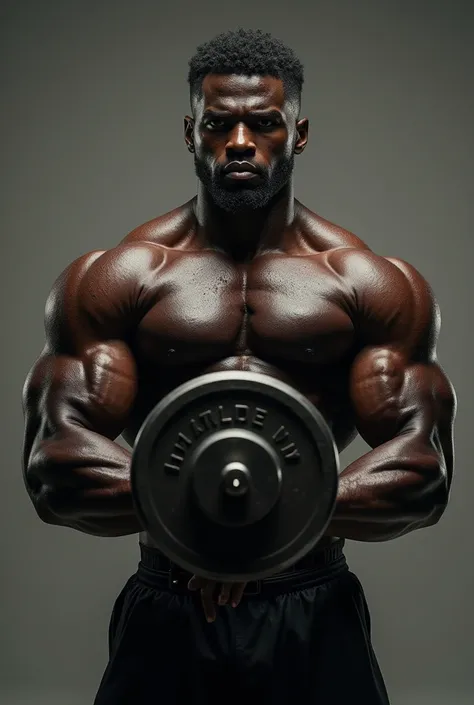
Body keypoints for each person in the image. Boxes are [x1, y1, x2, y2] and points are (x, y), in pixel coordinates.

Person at [21, 28, 456, 705]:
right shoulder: (120, 277)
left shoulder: (368, 283)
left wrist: (261, 530)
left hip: (311, 604)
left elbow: (425, 471)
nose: (242, 142)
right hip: (170, 606)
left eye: (265, 124)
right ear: (190, 132)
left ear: (299, 133)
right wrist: (209, 528)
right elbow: (52, 467)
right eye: (219, 124)